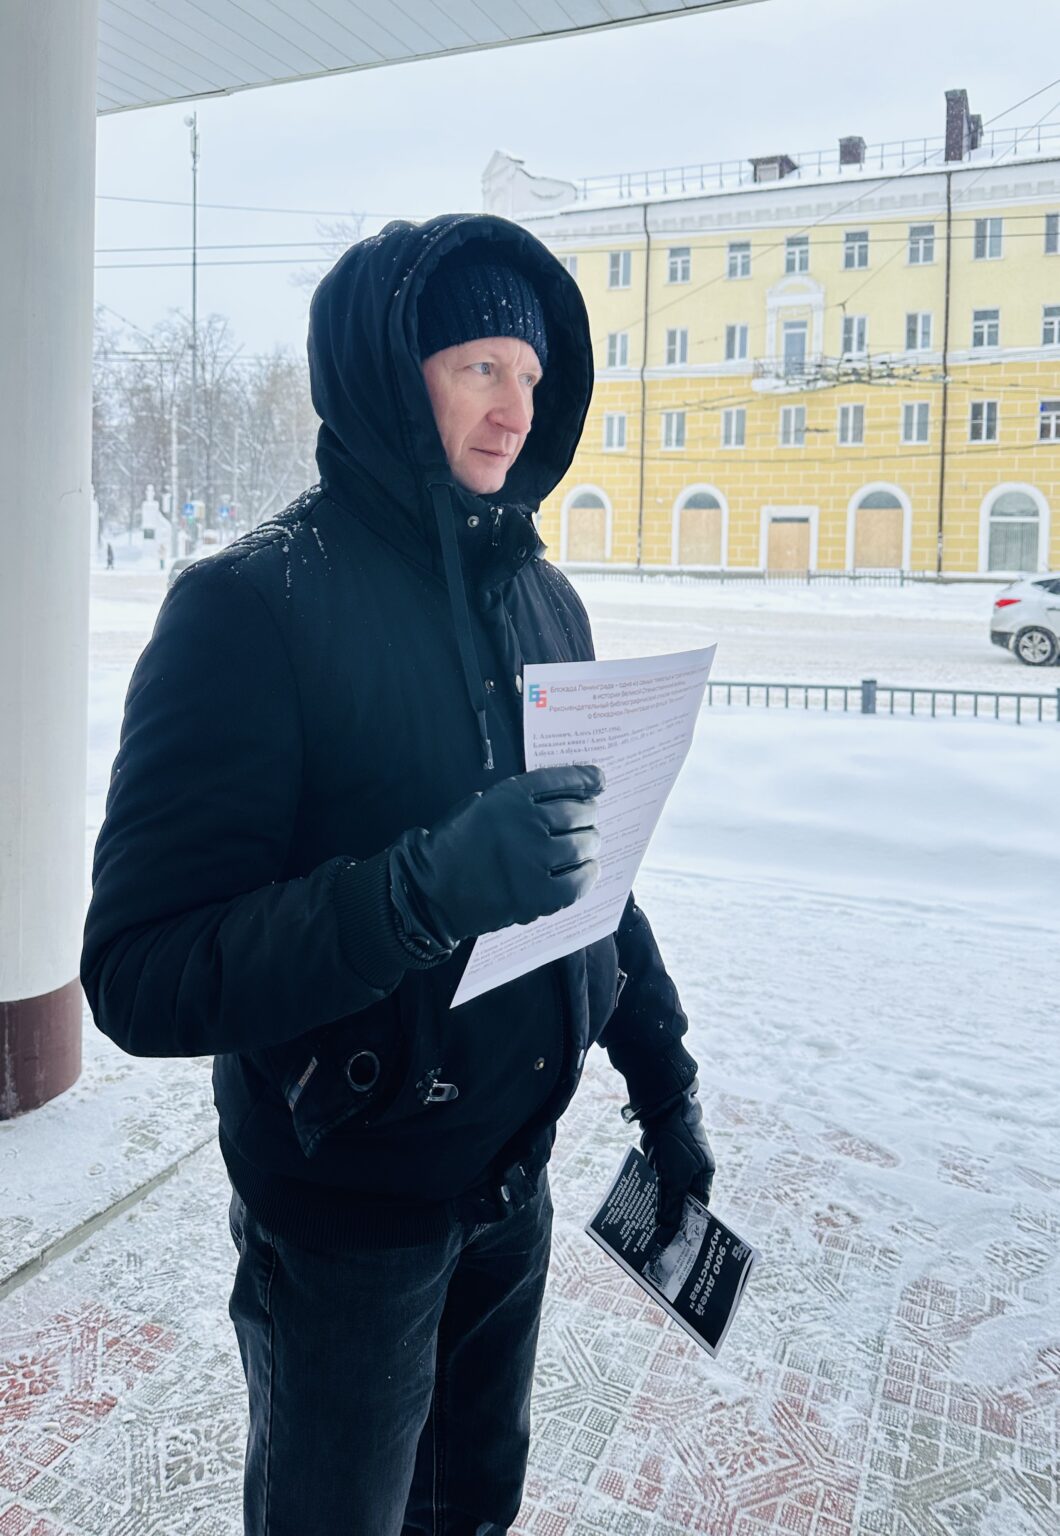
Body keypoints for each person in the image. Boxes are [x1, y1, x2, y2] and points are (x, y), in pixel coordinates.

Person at [81, 213, 714, 1536]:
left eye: (531, 376)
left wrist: (664, 1081)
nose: (515, 411)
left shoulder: (540, 598)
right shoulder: (250, 610)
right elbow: (141, 972)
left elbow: (588, 869)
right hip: (348, 1229)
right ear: (390, 371)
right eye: (481, 367)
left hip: (511, 1188)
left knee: (473, 1514)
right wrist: (421, 893)